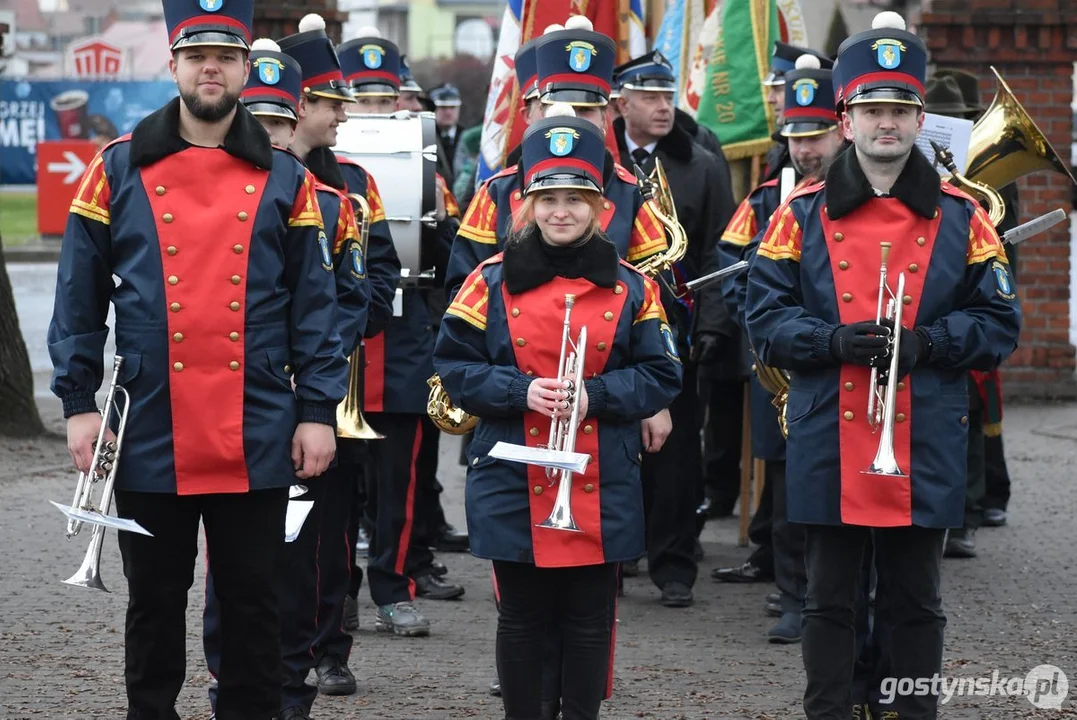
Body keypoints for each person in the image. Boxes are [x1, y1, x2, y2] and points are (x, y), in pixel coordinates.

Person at [48, 1, 348, 717]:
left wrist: (317, 413)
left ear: (246, 69)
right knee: (152, 605)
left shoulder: (287, 178)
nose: (210, 67)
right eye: (195, 55)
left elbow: (316, 308)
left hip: (259, 420)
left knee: (253, 605)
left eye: (225, 55)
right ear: (174, 64)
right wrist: (79, 404)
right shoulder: (115, 166)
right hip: (149, 424)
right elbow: (77, 298)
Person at [746, 12, 1022, 718]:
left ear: (918, 115)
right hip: (825, 429)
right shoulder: (795, 214)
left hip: (922, 425)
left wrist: (929, 344)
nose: (886, 124)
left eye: (899, 109)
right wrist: (829, 342)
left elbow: (998, 324)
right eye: (871, 109)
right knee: (827, 598)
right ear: (845, 118)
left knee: (916, 601)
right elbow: (763, 317)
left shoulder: (965, 215)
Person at [433, 103, 683, 720]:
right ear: (526, 205)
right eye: (547, 199)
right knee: (520, 617)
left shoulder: (633, 286)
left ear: (601, 208)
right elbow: (452, 367)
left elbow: (662, 373)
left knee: (587, 619)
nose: (561, 211)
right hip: (511, 473)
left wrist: (595, 395)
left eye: (576, 198)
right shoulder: (488, 282)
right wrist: (521, 392)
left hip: (603, 474)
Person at [201, 28, 373, 716]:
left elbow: (353, 301)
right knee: (230, 567)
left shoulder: (333, 203)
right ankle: (227, 687)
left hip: (301, 404)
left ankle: (290, 689)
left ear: (297, 121)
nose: (270, 137)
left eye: (280, 123)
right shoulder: (205, 194)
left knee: (299, 560)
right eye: (258, 122)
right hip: (227, 406)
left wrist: (311, 384)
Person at [336, 27, 466, 639]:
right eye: (360, 98)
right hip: (342, 343)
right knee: (336, 480)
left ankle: (395, 585)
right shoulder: (324, 172)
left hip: (405, 336)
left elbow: (451, 259)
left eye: (385, 97)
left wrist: (435, 220)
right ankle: (337, 595)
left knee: (402, 480)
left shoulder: (427, 169)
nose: (375, 108)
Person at [612, 49, 737, 607]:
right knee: (613, 442)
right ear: (621, 101)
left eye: (669, 96)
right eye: (651, 97)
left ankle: (674, 563)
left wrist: (714, 322)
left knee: (678, 448)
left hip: (676, 325)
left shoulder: (703, 162)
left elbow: (717, 249)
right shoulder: (599, 156)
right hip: (609, 325)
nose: (665, 107)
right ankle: (614, 554)